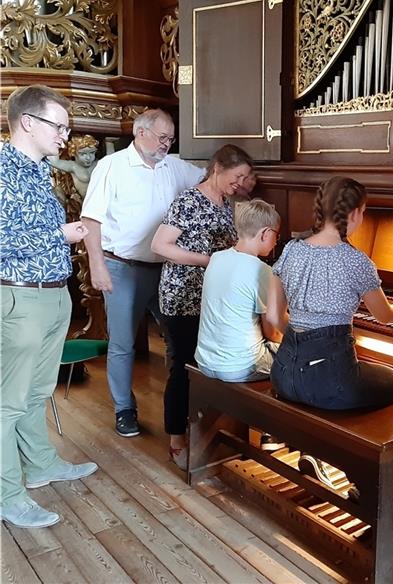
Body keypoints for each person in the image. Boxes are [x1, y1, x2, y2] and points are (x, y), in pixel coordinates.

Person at [266, 176, 393, 487]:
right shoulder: (356, 261)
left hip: (284, 375)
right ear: (353, 213)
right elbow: (384, 316)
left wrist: (304, 344)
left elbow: (274, 316)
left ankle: (320, 454)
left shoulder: (291, 250)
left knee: (349, 384)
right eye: (363, 212)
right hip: (331, 383)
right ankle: (374, 484)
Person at [0, 84, 98, 529]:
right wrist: (60, 235)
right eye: (59, 126)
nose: (65, 136)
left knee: (38, 391)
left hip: (55, 293)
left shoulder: (40, 170)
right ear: (27, 122)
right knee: (7, 403)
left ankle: (40, 465)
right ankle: (8, 495)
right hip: (19, 296)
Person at [81, 109, 205, 437]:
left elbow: (209, 178)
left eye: (171, 139)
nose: (167, 144)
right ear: (140, 132)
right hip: (122, 267)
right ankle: (124, 409)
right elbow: (90, 220)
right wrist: (97, 265)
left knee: (178, 340)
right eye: (162, 137)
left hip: (166, 270)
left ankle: (181, 407)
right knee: (123, 343)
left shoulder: (174, 166)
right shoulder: (111, 166)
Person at [150, 144, 251, 467]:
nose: (240, 184)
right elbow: (160, 245)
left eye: (245, 178)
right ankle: (177, 439)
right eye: (237, 177)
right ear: (217, 168)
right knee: (183, 366)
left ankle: (208, 431)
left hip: (211, 297)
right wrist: (208, 261)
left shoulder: (227, 205)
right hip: (183, 297)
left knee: (207, 365)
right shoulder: (189, 201)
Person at [194, 199, 284, 461]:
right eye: (276, 236)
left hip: (205, 359)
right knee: (298, 361)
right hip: (237, 365)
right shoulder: (262, 270)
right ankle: (274, 432)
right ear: (265, 233)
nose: (276, 242)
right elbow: (272, 332)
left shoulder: (217, 258)